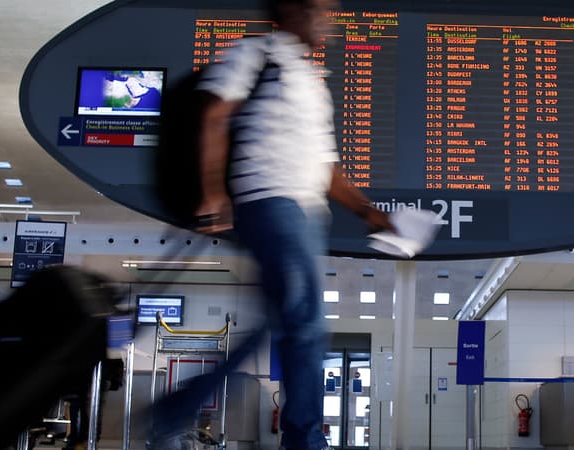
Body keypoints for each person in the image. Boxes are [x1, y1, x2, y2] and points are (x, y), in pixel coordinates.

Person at [148, 1, 393, 449]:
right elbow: (215, 116)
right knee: (307, 325)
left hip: (306, 214)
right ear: (292, 11)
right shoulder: (254, 54)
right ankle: (304, 439)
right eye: (321, 9)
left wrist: (368, 212)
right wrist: (213, 192)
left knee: (282, 322)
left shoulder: (314, 82)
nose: (329, 21)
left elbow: (325, 167)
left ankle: (173, 410)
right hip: (268, 201)